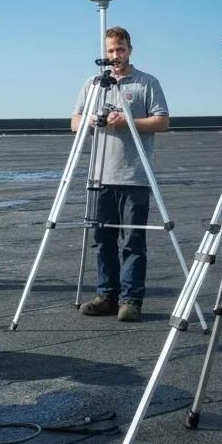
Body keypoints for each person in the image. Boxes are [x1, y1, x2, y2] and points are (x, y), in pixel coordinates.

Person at [71, 27, 171, 322]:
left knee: (133, 241)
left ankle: (131, 299)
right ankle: (107, 295)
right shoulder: (93, 84)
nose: (116, 55)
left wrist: (127, 121)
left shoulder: (146, 82)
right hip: (100, 176)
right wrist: (91, 120)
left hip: (135, 175)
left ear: (130, 49)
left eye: (121, 49)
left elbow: (162, 122)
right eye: (111, 50)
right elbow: (75, 121)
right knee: (102, 239)